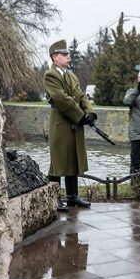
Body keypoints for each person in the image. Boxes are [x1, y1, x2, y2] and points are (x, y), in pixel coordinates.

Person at [43, 39, 96, 211]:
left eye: (68, 54)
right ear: (54, 57)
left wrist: (89, 113)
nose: (68, 56)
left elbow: (81, 97)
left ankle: (72, 196)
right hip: (61, 123)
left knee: (73, 159)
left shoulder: (71, 76)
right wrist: (81, 116)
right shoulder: (51, 75)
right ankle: (53, 198)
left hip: (75, 123)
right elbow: (61, 99)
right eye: (64, 54)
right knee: (58, 162)